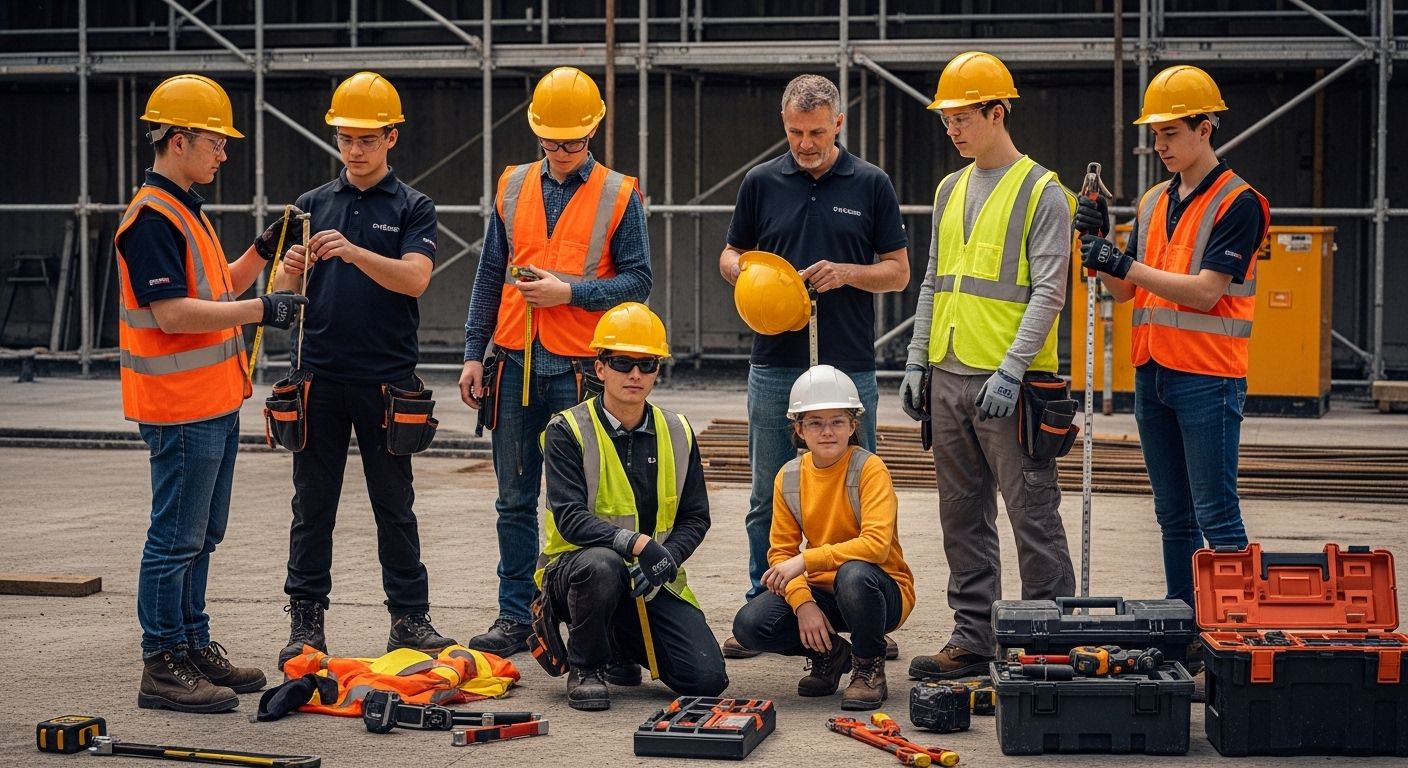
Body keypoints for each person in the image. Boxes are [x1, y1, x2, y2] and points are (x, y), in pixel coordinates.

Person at [116, 74, 305, 712]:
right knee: (174, 538)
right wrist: (264, 308)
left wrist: (260, 252)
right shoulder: (150, 219)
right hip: (180, 409)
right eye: (215, 142)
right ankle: (162, 662)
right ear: (177, 139)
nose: (224, 153)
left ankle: (193, 644)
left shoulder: (185, 208)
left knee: (202, 534)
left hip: (213, 404)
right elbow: (172, 314)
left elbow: (213, 289)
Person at [458, 66, 652, 657]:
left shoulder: (619, 194)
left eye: (571, 141)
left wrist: (570, 292)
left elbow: (638, 283)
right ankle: (516, 616)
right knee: (514, 499)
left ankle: (584, 613)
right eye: (551, 140)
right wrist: (473, 353)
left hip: (579, 371)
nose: (561, 151)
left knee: (581, 506)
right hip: (514, 363)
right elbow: (490, 274)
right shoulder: (513, 185)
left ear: (592, 131)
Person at [899, 51, 1077, 680]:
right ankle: (974, 636)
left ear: (998, 112)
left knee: (1032, 514)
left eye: (962, 116)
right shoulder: (950, 188)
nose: (952, 129)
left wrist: (1011, 369)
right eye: (946, 119)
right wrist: (918, 358)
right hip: (948, 374)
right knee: (961, 514)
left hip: (1013, 386)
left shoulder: (1043, 192)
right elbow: (932, 281)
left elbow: (1050, 292)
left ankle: (1048, 639)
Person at [718, 73, 909, 658]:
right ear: (785, 125)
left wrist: (848, 272)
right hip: (774, 362)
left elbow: (899, 270)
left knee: (860, 494)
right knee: (764, 496)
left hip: (848, 363)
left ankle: (866, 614)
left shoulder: (871, 183)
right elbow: (730, 255)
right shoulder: (760, 182)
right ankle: (768, 599)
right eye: (797, 132)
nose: (806, 143)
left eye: (818, 132)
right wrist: (753, 276)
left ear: (839, 125)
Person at [273, 71, 454, 667]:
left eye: (367, 139)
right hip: (318, 377)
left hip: (387, 380)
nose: (354, 149)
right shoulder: (309, 206)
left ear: (392, 139)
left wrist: (351, 252)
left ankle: (409, 620)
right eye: (346, 138)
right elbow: (280, 291)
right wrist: (293, 266)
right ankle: (306, 622)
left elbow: (415, 278)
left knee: (394, 506)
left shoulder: (414, 207)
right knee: (312, 506)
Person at [1076, 65, 1268, 607]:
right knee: (1173, 516)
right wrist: (1097, 238)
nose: (1159, 145)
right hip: (1154, 374)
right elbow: (1121, 290)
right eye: (1155, 134)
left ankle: (1232, 634)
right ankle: (1184, 624)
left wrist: (1123, 262)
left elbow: (1207, 292)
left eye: (1171, 133)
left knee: (1216, 513)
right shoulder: (1153, 200)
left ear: (1205, 128)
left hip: (1209, 378)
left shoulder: (1239, 202)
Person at [536, 302, 727, 711]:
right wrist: (640, 544)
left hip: (649, 578)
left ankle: (621, 645)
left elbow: (696, 516)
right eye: (622, 362)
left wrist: (667, 557)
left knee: (706, 679)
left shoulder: (676, 431)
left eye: (648, 364)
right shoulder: (567, 430)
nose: (635, 374)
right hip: (577, 574)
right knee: (602, 565)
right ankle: (586, 666)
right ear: (600, 367)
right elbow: (570, 518)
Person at [731, 365, 915, 710]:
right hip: (824, 591)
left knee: (854, 573)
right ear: (799, 429)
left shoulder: (870, 469)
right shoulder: (788, 477)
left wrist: (806, 561)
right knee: (750, 625)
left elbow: (875, 545)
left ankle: (868, 666)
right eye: (815, 422)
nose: (827, 431)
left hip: (879, 591)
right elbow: (780, 553)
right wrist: (803, 604)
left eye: (837, 421)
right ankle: (830, 654)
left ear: (853, 426)